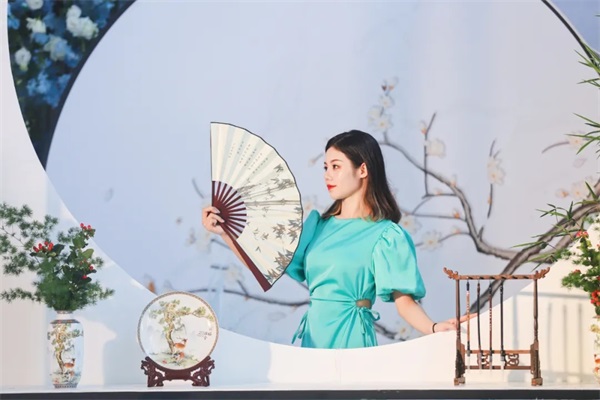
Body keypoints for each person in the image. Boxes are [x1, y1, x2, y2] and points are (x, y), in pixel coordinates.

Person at [202, 129, 466, 349]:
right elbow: (267, 266)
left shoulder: (386, 235)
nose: (327, 174)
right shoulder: (318, 226)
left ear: (363, 170)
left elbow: (404, 302)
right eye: (326, 167)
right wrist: (226, 233)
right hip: (314, 337)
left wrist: (433, 328)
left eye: (336, 167)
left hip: (352, 336)